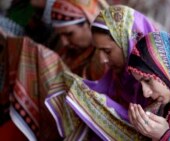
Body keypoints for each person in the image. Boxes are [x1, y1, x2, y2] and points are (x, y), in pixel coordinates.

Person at [45, 5, 159, 140]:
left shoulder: (158, 86)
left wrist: (91, 102)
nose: (102, 59)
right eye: (98, 51)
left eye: (107, 51)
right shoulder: (115, 76)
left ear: (129, 43)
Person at [50, 0, 108, 80]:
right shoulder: (66, 54)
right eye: (60, 35)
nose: (64, 43)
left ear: (90, 23)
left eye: (69, 34)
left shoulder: (106, 60)